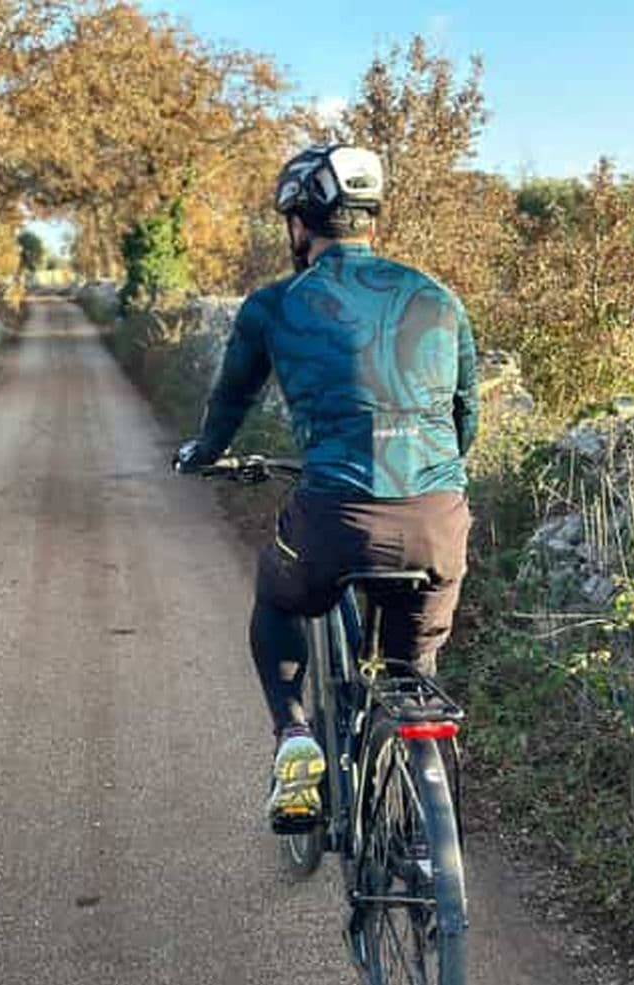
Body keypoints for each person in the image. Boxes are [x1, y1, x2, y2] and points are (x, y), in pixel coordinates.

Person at [173, 143, 478, 831]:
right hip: (437, 520)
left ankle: (296, 736)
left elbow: (230, 401)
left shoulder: (275, 304)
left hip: (333, 519)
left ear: (298, 224)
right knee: (411, 666)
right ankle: (423, 837)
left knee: (277, 596)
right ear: (371, 217)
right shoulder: (438, 297)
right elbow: (465, 419)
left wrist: (204, 453)